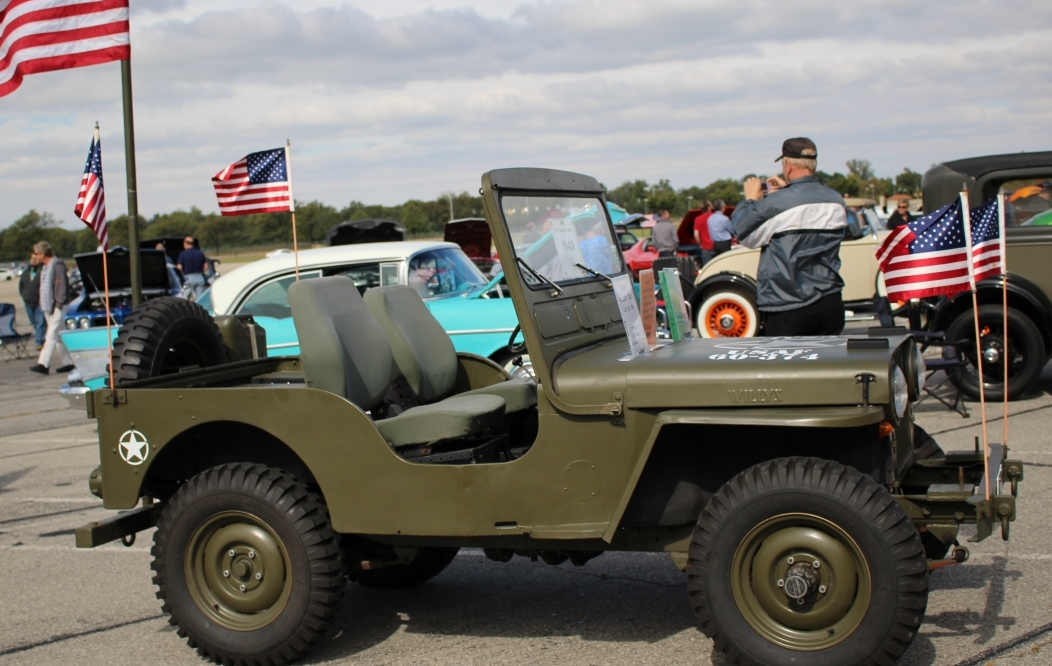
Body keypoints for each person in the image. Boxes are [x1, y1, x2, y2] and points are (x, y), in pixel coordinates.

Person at [731, 137, 847, 336]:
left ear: (788, 164)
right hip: (830, 301)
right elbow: (804, 212)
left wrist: (750, 198)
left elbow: (743, 231)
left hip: (789, 305)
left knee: (787, 368)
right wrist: (786, 190)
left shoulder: (778, 203)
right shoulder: (836, 201)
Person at [29, 241, 74, 375]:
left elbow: (62, 287)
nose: (34, 256)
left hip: (57, 306)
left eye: (36, 253)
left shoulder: (57, 266)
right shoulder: (45, 267)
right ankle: (69, 362)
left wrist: (59, 304)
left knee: (51, 335)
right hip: (48, 307)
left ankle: (43, 363)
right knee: (59, 335)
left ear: (43, 254)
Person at [19, 252, 46, 350]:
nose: (33, 260)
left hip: (39, 303)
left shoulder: (42, 272)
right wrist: (24, 296)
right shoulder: (26, 272)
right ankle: (42, 338)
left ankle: (39, 342)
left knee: (40, 323)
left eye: (35, 258)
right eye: (32, 258)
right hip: (28, 303)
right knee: (34, 323)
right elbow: (21, 286)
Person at [693, 201, 715, 265]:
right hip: (716, 246)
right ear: (709, 207)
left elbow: (696, 235)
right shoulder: (715, 217)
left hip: (705, 248)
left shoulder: (698, 219)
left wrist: (700, 244)